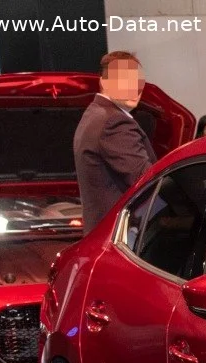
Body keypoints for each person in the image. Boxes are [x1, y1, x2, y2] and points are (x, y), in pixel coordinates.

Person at [73, 51, 156, 232]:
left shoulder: (93, 114)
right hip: (120, 237)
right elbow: (147, 182)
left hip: (104, 234)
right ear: (104, 82)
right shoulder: (114, 122)